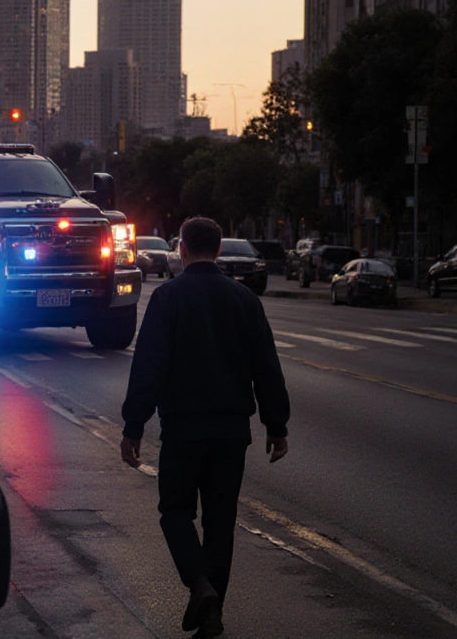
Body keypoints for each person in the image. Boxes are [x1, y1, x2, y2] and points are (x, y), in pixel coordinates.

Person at [120, 216, 291, 638]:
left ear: (181, 248)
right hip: (232, 433)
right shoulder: (244, 300)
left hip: (182, 429)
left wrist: (133, 426)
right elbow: (266, 367)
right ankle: (212, 609)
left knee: (175, 512)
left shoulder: (168, 298)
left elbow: (149, 367)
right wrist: (277, 424)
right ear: (217, 249)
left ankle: (199, 584)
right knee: (220, 520)